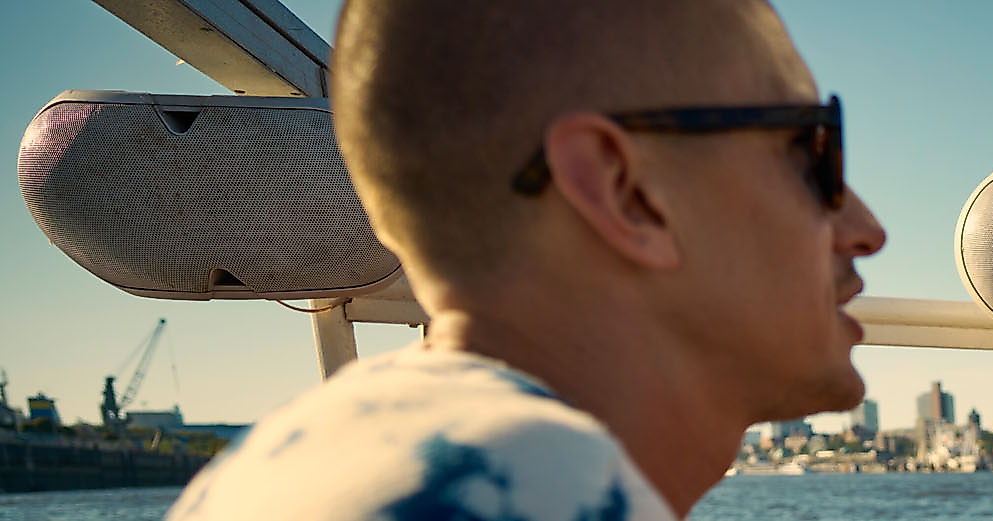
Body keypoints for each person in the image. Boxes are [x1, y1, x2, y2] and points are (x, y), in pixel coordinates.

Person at [167, 1, 886, 519]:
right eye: (813, 151)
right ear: (628, 193)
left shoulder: (251, 480)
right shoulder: (542, 488)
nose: (866, 227)